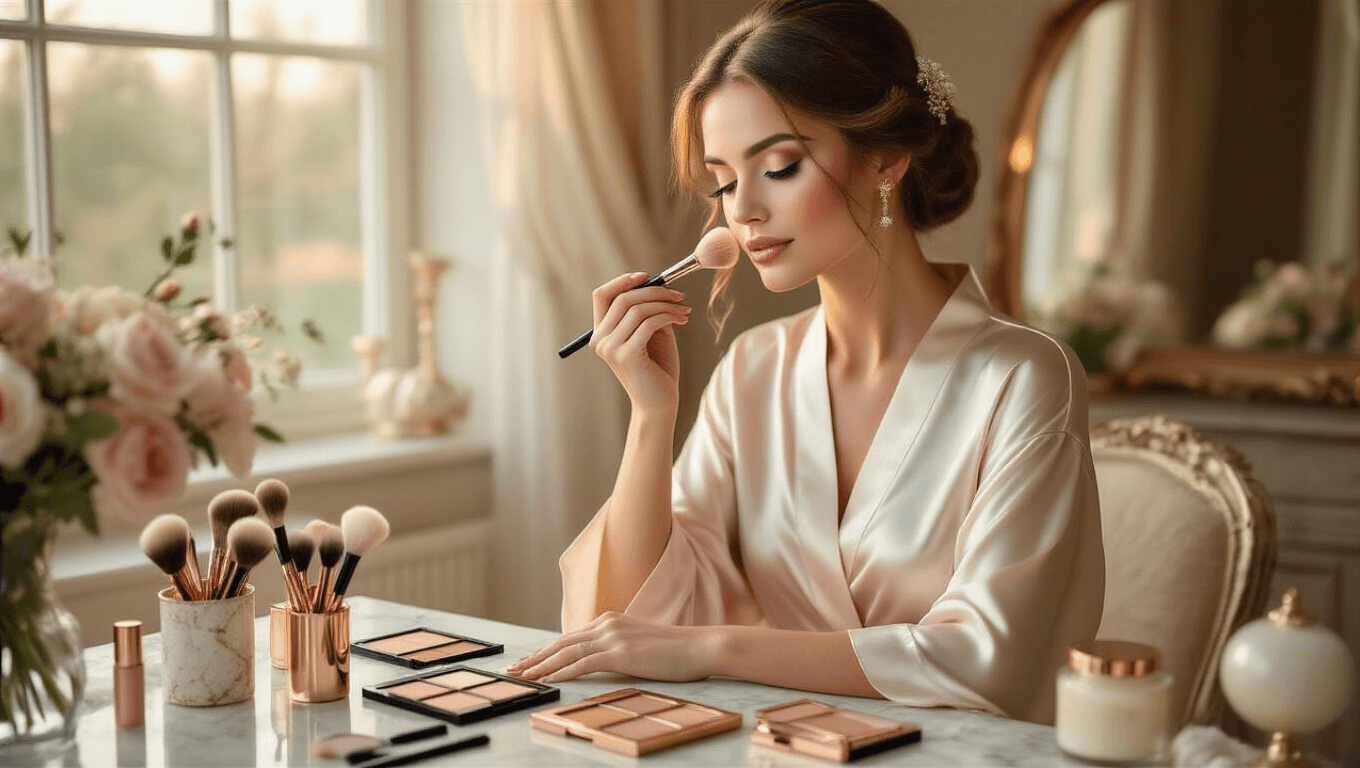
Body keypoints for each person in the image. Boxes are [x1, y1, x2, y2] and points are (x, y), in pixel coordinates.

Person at [508, 0, 1104, 725]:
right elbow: (626, 618)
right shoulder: (753, 369)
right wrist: (650, 415)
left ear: (885, 158)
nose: (744, 210)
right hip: (786, 746)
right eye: (725, 182)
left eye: (780, 166)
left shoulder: (1021, 376)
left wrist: (715, 649)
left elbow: (985, 655)